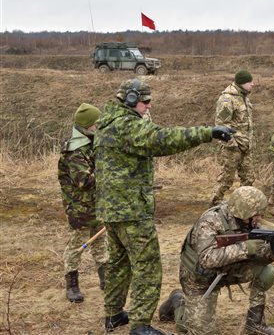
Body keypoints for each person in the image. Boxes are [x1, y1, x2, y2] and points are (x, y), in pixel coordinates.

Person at [94, 79, 234, 335]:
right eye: (145, 101)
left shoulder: (107, 123)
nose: (148, 106)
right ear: (130, 100)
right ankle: (140, 326)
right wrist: (208, 132)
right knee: (147, 267)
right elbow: (163, 139)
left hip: (112, 210)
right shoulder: (127, 126)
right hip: (131, 210)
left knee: (118, 263)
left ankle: (113, 316)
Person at [158, 186, 274, 335]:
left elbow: (262, 258)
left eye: (260, 213)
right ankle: (178, 302)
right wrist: (245, 249)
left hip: (228, 270)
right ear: (243, 212)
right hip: (199, 279)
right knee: (197, 329)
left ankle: (254, 324)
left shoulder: (250, 223)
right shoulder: (210, 222)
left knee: (266, 272)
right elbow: (207, 259)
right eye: (256, 214)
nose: (259, 218)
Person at [58, 103, 108, 303]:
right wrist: (109, 173)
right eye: (97, 124)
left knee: (100, 241)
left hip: (96, 204)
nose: (100, 127)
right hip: (79, 206)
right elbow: (84, 182)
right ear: (88, 126)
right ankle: (72, 284)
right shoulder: (75, 151)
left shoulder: (91, 142)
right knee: (76, 244)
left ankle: (106, 279)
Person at [209, 70, 256, 206]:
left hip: (245, 146)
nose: (253, 84)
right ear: (242, 83)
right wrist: (232, 144)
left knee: (248, 178)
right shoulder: (227, 99)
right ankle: (215, 202)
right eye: (250, 82)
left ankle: (244, 204)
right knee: (226, 178)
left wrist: (248, 143)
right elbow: (222, 125)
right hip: (232, 147)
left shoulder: (244, 97)